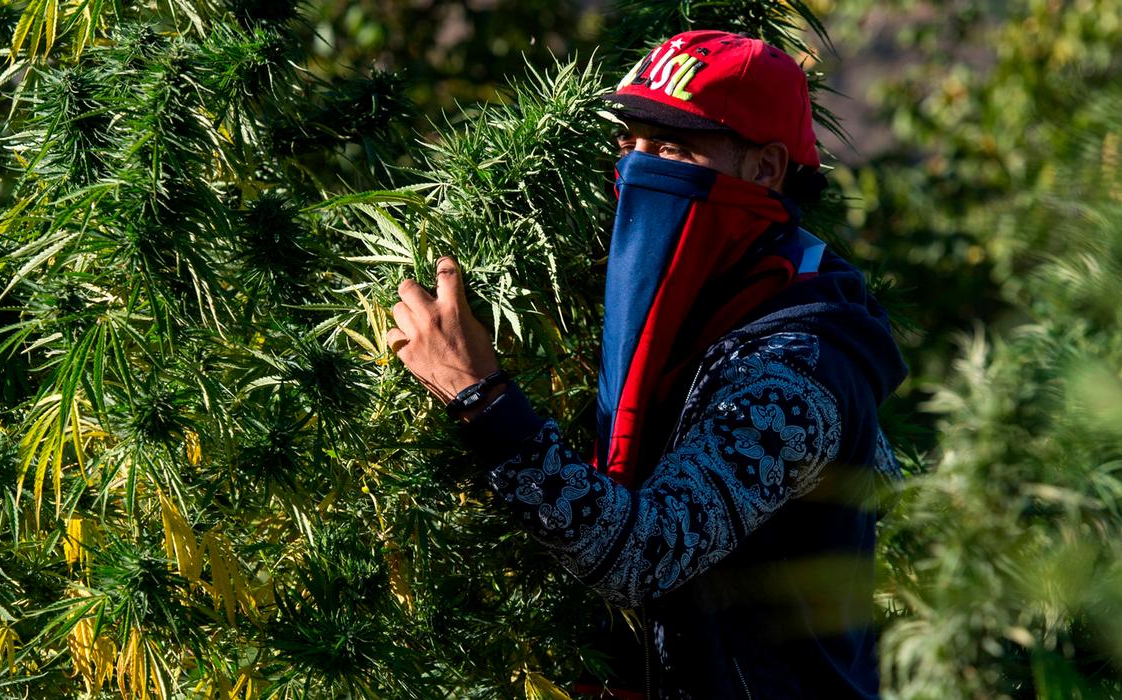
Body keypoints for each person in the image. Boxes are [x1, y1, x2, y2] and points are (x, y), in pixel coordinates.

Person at [386, 29, 907, 699]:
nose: (636, 170)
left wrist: (479, 396)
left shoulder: (797, 366)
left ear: (765, 169)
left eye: (671, 149)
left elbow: (644, 555)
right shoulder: (709, 307)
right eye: (628, 143)